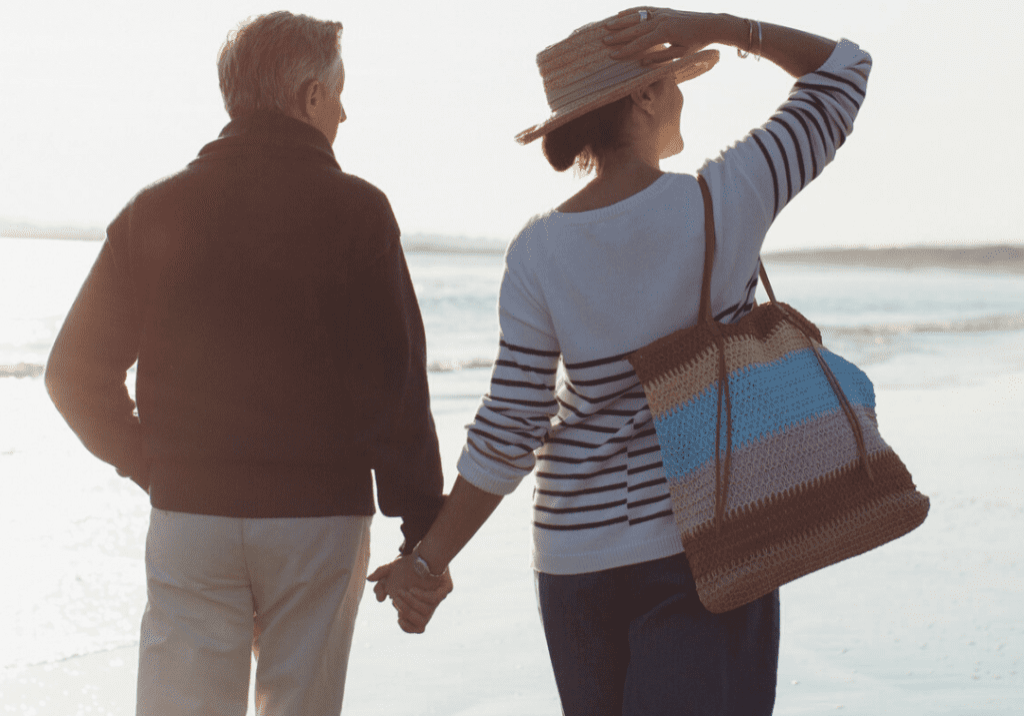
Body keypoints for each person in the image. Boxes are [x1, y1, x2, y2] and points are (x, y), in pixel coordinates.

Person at [368, 7, 872, 715]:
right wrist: (724, 28)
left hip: (575, 564)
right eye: (669, 80)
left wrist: (429, 559)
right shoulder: (724, 200)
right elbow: (844, 72)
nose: (680, 93)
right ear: (642, 96)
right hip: (708, 544)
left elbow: (511, 427)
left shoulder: (537, 251)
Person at [44, 11, 451, 715]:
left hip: (190, 515)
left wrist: (156, 465)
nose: (346, 112)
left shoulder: (155, 208)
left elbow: (72, 374)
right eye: (340, 92)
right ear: (310, 98)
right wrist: (423, 538)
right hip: (317, 521)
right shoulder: (358, 211)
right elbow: (397, 389)